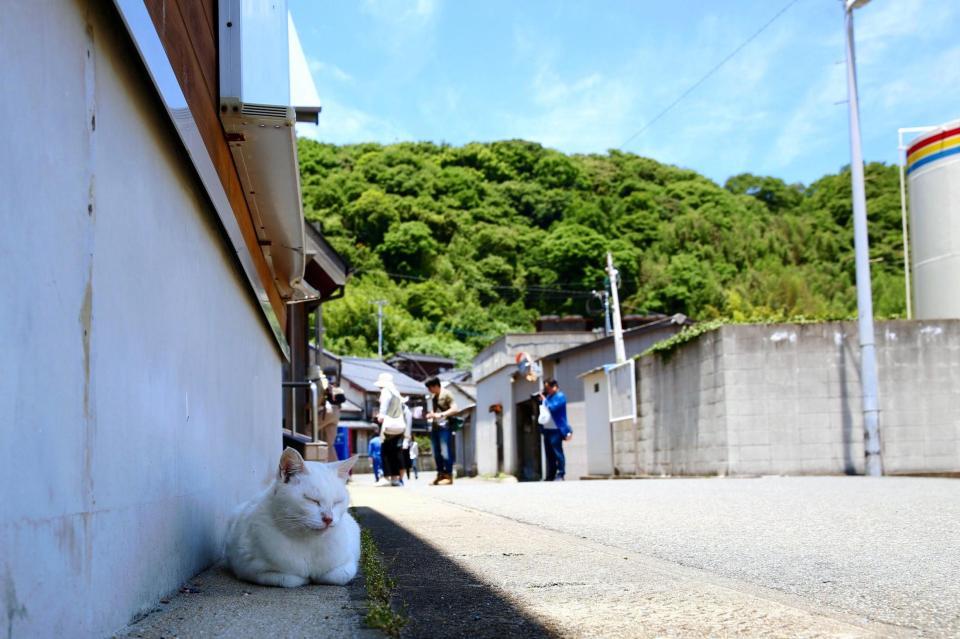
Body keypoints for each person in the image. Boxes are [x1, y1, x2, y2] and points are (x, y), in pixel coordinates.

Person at [374, 372, 410, 486]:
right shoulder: (396, 392)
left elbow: (384, 407)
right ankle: (395, 478)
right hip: (399, 427)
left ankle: (386, 477)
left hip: (388, 427)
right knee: (395, 453)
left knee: (385, 452)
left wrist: (380, 416)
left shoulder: (386, 391)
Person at [425, 377, 458, 486]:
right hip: (435, 427)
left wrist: (442, 414)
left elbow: (455, 409)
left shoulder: (447, 394)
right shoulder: (434, 397)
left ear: (435, 386)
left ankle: (448, 475)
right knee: (436, 452)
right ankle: (440, 474)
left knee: (445, 452)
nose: (429, 391)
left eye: (430, 388)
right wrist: (431, 414)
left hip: (445, 427)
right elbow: (435, 411)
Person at [539, 378, 573, 481]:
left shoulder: (560, 396)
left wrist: (544, 400)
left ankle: (561, 474)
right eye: (546, 388)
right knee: (549, 454)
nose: (547, 390)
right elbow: (544, 409)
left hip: (556, 429)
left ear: (555, 387)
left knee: (557, 452)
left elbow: (553, 408)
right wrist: (542, 400)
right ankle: (551, 475)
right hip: (547, 429)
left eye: (548, 388)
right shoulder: (548, 397)